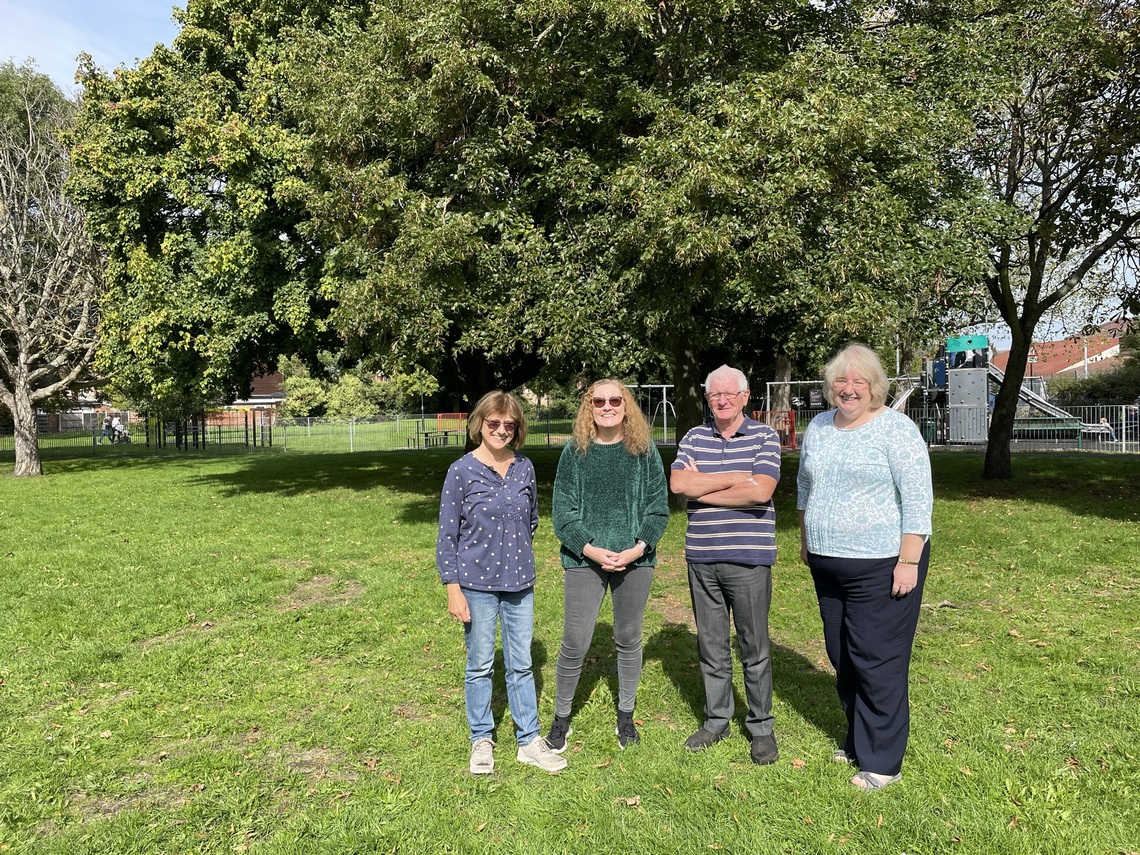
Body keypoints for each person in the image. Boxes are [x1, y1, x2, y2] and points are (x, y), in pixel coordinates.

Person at [797, 343, 933, 791]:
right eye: (841, 380)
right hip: (828, 561)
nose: (849, 389)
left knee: (878, 659)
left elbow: (917, 500)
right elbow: (804, 487)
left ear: (875, 387)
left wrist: (908, 560)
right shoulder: (818, 426)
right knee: (843, 656)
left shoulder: (897, 429)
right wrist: (805, 539)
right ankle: (859, 737)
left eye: (859, 381)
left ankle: (882, 762)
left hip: (883, 564)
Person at [436, 391, 567, 775]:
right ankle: (481, 738)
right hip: (474, 583)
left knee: (521, 663)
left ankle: (528, 740)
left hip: (519, 582)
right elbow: (447, 535)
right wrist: (452, 586)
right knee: (479, 664)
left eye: (509, 424)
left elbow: (532, 520)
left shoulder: (525, 467)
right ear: (480, 424)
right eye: (494, 423)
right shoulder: (461, 471)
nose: (501, 430)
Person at [547, 380, 670, 752]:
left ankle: (626, 716)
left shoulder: (644, 452)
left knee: (629, 638)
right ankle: (561, 719)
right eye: (598, 401)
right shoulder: (574, 452)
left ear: (625, 405)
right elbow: (562, 512)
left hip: (635, 559)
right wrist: (590, 549)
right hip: (585, 559)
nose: (607, 406)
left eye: (614, 400)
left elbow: (658, 507)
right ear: (589, 406)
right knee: (574, 641)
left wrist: (637, 548)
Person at [670, 365, 782, 765]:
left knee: (754, 647)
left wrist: (707, 488)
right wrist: (738, 478)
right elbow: (679, 485)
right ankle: (717, 719)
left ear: (745, 396)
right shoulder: (694, 437)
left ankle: (761, 727)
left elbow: (762, 491)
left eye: (729, 394)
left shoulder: (765, 437)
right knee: (711, 646)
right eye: (714, 394)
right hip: (702, 558)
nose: (721, 400)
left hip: (749, 559)